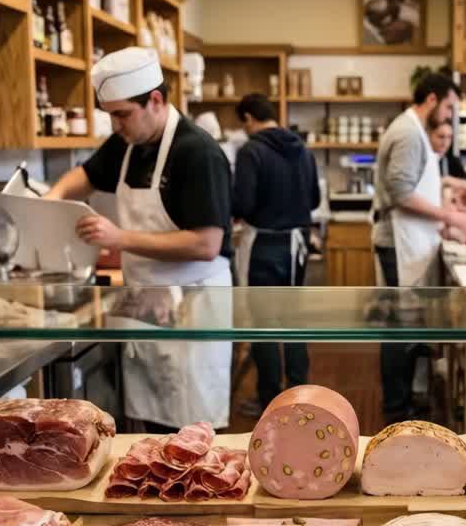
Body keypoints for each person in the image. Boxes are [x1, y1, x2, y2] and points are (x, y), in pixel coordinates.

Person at [45, 47, 233, 433]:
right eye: (110, 115)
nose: (116, 125)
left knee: (191, 426)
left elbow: (206, 243)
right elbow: (85, 174)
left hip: (193, 304)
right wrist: (48, 202)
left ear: (156, 100)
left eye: (122, 114)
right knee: (147, 424)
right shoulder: (128, 144)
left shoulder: (198, 152)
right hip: (145, 303)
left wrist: (120, 237)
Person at [372, 72, 466, 422]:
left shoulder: (414, 130)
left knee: (406, 327)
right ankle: (394, 412)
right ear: (432, 99)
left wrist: (451, 187)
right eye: (448, 106)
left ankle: (404, 404)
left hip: (411, 242)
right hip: (397, 245)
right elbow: (401, 192)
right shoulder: (408, 133)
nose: (449, 115)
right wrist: (450, 216)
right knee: (398, 329)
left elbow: (417, 180)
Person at [231, 93, 321, 414]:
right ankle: (300, 392)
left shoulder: (251, 151)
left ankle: (270, 397)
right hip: (297, 243)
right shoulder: (302, 149)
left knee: (264, 322)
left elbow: (242, 205)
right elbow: (313, 199)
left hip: (264, 245)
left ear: (248, 119)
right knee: (294, 319)